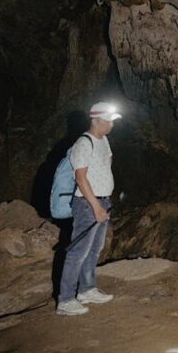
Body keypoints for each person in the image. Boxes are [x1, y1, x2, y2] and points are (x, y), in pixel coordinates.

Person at [56, 102, 121, 316]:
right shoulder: (83, 143)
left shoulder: (104, 140)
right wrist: (95, 206)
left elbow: (107, 163)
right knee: (78, 252)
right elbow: (81, 179)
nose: (111, 124)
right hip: (86, 204)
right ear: (96, 120)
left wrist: (104, 199)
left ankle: (87, 289)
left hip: (103, 200)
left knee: (94, 250)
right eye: (108, 121)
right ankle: (65, 300)